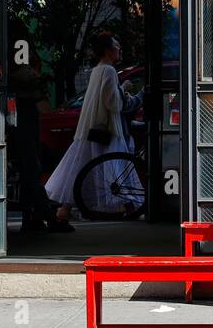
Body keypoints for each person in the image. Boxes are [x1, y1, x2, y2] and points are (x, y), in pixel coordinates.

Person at [45, 32, 141, 224]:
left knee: (81, 167)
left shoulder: (97, 70)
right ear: (107, 50)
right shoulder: (109, 71)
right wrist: (125, 88)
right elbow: (113, 103)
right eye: (116, 45)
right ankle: (126, 206)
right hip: (108, 130)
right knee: (114, 167)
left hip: (91, 129)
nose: (119, 49)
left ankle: (65, 208)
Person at [9, 42, 68, 233]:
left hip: (21, 107)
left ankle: (35, 216)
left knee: (29, 166)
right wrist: (40, 78)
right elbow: (23, 73)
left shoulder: (13, 45)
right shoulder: (20, 45)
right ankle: (43, 213)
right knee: (30, 164)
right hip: (23, 106)